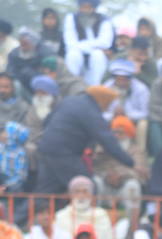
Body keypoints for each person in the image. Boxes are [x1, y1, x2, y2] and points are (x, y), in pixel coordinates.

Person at [34, 89, 133, 218]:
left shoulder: (70, 100)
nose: (107, 108)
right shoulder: (91, 111)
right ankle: (87, 224)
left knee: (43, 194)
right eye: (107, 105)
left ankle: (16, 221)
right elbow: (108, 141)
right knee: (88, 187)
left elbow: (47, 121)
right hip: (64, 154)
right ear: (101, 102)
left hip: (45, 148)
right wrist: (132, 163)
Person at [91, 116, 147, 218]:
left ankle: (132, 225)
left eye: (120, 133)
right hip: (105, 187)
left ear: (128, 135)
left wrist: (121, 176)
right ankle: (91, 222)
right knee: (95, 181)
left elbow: (142, 174)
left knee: (133, 185)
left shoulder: (137, 150)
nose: (116, 136)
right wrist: (106, 176)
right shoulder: (103, 148)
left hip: (123, 188)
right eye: (114, 132)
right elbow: (94, 167)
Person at [62, 0, 114, 85]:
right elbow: (70, 44)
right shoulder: (71, 18)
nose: (86, 11)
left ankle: (97, 88)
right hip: (78, 57)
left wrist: (84, 46)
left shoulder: (104, 20)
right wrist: (93, 47)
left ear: (94, 8)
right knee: (73, 54)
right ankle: (72, 86)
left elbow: (105, 43)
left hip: (96, 59)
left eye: (89, 7)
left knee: (98, 54)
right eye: (83, 7)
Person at [103, 58, 150, 134]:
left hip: (133, 125)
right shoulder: (106, 88)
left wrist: (127, 114)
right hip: (110, 125)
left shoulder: (141, 89)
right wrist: (112, 115)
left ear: (130, 79)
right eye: (118, 79)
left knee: (143, 124)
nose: (121, 84)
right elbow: (98, 114)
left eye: (124, 80)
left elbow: (146, 113)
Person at [0, 121, 28, 200]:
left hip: (11, 186)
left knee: (16, 191)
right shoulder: (0, 150)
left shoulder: (20, 154)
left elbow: (20, 176)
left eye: (5, 132)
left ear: (12, 136)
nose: (2, 134)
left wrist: (4, 188)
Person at [0, 73, 28, 145]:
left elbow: (23, 130)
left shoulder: (21, 108)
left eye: (6, 87)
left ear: (14, 87)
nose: (2, 90)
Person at [7, 28, 44, 93]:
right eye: (21, 44)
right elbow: (10, 72)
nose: (22, 48)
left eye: (25, 44)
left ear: (34, 44)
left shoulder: (44, 54)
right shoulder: (14, 54)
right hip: (20, 86)